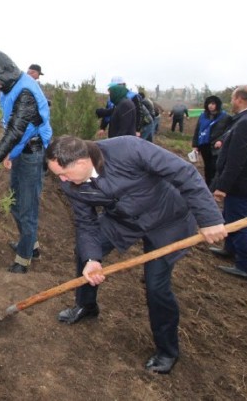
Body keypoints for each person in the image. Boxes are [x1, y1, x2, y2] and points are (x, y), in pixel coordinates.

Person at [45, 135, 226, 374]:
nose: (62, 180)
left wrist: (210, 218)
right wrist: (92, 260)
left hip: (166, 219)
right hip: (122, 220)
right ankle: (86, 305)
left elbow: (184, 173)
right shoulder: (70, 183)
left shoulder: (129, 149)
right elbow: (85, 222)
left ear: (81, 162)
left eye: (64, 174)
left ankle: (167, 351)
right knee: (86, 249)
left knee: (156, 285)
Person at [0, 50, 52, 273]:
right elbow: (13, 128)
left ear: (2, 73)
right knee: (15, 203)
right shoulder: (9, 85)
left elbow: (15, 131)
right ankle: (30, 245)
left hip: (33, 154)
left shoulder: (26, 92)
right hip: (21, 150)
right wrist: (10, 155)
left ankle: (23, 260)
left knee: (27, 208)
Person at [209, 85, 247, 279]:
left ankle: (246, 265)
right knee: (231, 215)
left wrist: (222, 186)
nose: (231, 102)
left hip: (241, 182)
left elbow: (237, 159)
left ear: (240, 99)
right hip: (246, 179)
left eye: (233, 98)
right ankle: (230, 249)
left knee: (240, 222)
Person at [191, 95, 230, 185]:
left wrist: (221, 140)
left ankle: (214, 187)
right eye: (209, 103)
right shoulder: (203, 116)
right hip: (204, 145)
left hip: (216, 147)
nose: (210, 106)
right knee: (207, 167)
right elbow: (197, 130)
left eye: (213, 103)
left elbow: (228, 131)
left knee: (215, 168)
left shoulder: (225, 117)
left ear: (217, 105)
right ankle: (208, 186)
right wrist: (195, 145)